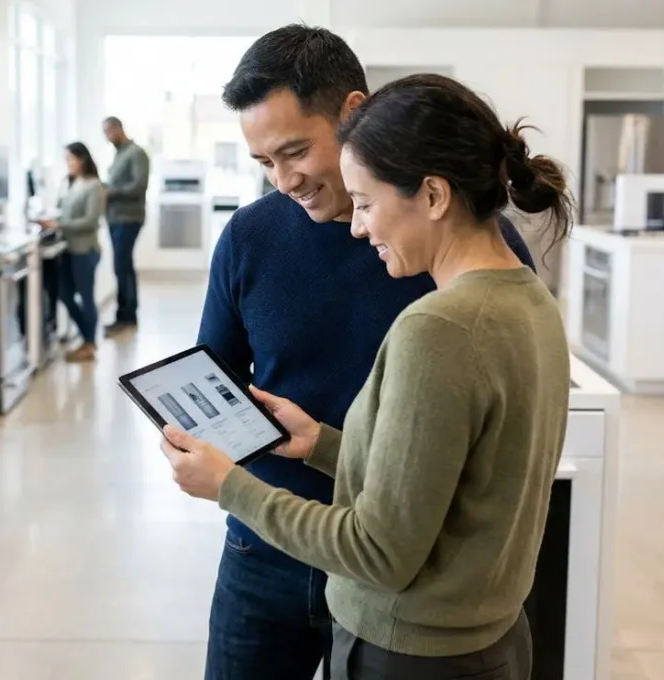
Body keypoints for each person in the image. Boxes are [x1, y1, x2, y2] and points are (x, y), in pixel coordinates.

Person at [162, 72, 572, 679]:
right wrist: (326, 445)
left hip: (407, 641)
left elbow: (379, 551)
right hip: (483, 635)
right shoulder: (530, 300)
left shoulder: (437, 326)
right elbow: (457, 471)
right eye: (264, 161)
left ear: (433, 196)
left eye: (367, 203)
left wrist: (229, 486)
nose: (357, 227)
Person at [40, 142, 105, 363]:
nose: (68, 164)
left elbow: (90, 221)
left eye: (71, 159)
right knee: (64, 294)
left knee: (86, 297)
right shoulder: (70, 182)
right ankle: (87, 335)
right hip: (68, 249)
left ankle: (89, 342)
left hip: (85, 250)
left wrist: (59, 225)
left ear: (82, 159)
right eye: (66, 160)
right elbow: (62, 210)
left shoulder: (94, 185)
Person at [101, 116, 150, 338]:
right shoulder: (119, 154)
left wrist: (111, 192)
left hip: (128, 219)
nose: (108, 136)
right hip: (115, 218)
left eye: (110, 130)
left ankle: (127, 316)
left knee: (122, 267)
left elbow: (139, 186)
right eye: (105, 132)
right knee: (122, 266)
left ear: (120, 128)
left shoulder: (136, 153)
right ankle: (126, 314)